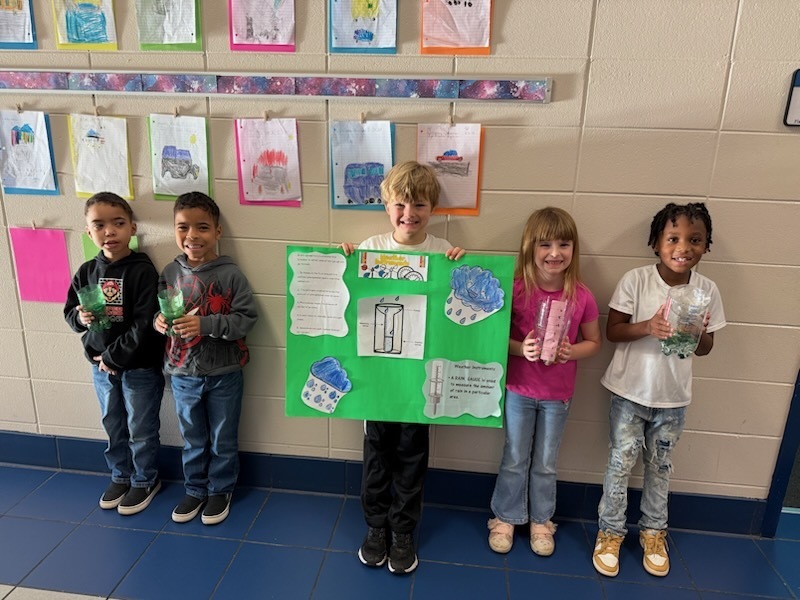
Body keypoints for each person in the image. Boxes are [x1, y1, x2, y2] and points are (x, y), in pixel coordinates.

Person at [340, 160, 465, 574]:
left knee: (412, 457)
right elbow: (351, 295)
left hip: (419, 384)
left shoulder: (441, 252)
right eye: (400, 204)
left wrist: (458, 265)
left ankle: (403, 530)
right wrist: (344, 260)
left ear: (433, 210)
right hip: (378, 381)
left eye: (419, 205)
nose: (408, 214)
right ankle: (376, 527)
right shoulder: (372, 246)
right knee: (376, 456)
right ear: (385, 205)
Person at [592, 202, 726, 578]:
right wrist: (647, 326)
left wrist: (697, 331)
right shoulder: (636, 280)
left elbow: (707, 347)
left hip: (673, 398)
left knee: (660, 466)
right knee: (620, 463)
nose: (684, 247)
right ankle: (610, 532)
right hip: (630, 392)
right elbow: (613, 331)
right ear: (656, 243)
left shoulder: (707, 290)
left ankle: (653, 532)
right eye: (673, 238)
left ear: (706, 246)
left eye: (695, 240)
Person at [487, 207, 601, 557]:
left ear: (573, 249)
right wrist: (521, 348)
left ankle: (541, 520)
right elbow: (492, 336)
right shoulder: (516, 289)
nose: (555, 253)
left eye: (564, 244)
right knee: (515, 456)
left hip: (558, 394)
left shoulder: (581, 295)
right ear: (529, 248)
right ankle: (505, 516)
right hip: (519, 389)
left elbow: (594, 342)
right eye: (545, 244)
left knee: (547, 461)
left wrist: (571, 351)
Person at [154, 192, 258, 526]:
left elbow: (246, 319)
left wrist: (206, 324)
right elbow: (161, 310)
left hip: (224, 372)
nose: (192, 235)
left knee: (223, 437)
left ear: (217, 232)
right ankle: (195, 489)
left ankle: (221, 489)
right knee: (192, 438)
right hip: (183, 373)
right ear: (174, 230)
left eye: (202, 227)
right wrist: (158, 320)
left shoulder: (230, 274)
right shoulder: (169, 272)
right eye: (183, 227)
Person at [64, 192, 165, 515]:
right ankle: (121, 475)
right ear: (88, 231)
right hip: (99, 366)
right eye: (100, 225)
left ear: (132, 228)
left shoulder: (143, 270)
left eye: (118, 224)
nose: (110, 231)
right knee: (113, 422)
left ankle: (145, 479)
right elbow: (69, 312)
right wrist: (80, 318)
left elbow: (144, 323)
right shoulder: (85, 271)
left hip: (138, 367)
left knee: (141, 426)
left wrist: (114, 357)